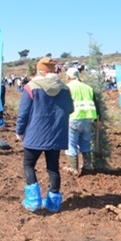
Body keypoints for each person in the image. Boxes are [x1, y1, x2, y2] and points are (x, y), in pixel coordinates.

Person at [15, 57, 74, 213]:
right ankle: (53, 203)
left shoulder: (31, 87)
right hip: (56, 134)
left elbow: (23, 113)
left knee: (28, 164)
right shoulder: (65, 88)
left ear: (40, 71)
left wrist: (20, 131)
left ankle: (33, 201)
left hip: (35, 134)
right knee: (53, 168)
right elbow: (70, 109)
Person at [64, 67, 99, 174]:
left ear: (68, 77)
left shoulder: (67, 87)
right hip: (88, 118)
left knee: (71, 143)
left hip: (74, 118)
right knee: (85, 143)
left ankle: (73, 168)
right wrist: (97, 119)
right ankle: (87, 166)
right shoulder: (88, 87)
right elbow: (96, 104)